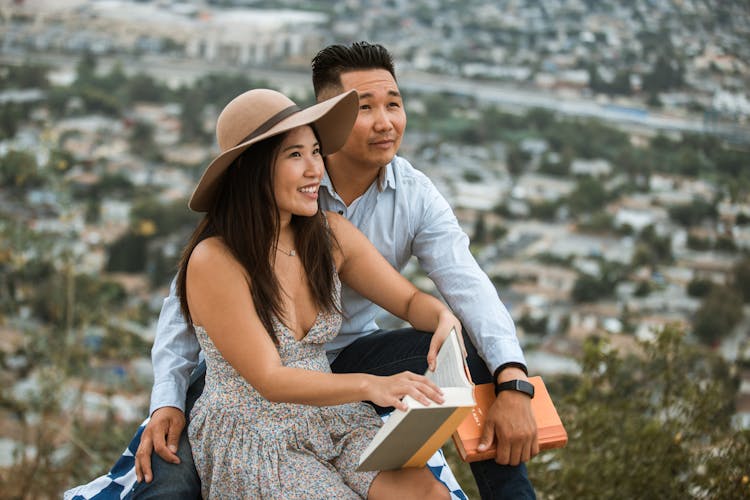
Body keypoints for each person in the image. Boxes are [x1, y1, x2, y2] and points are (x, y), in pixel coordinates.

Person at [135, 42, 538, 499]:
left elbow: (451, 291)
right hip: (248, 397)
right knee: (166, 478)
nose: (385, 121)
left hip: (342, 373)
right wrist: (166, 400)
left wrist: (464, 336)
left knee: (471, 360)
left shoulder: (351, 220)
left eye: (393, 104)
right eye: (365, 108)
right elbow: (192, 322)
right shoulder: (221, 253)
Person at [174, 86, 459, 498]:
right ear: (250, 169)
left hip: (330, 417)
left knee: (429, 495)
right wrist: (373, 386)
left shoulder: (328, 235)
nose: (316, 171)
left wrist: (442, 318)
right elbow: (269, 380)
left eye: (315, 152)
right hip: (257, 434)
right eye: (295, 155)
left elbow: (410, 301)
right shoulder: (215, 260)